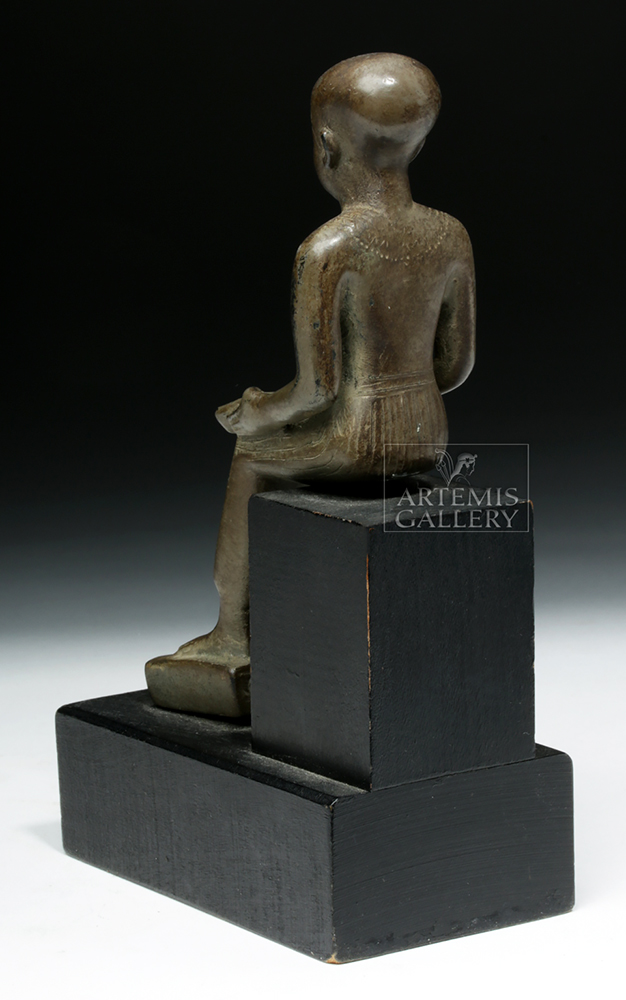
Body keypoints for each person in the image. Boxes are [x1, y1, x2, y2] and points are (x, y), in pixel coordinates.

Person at [145, 52, 476, 717]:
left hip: (356, 442)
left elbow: (316, 393)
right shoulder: (449, 235)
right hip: (428, 437)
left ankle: (232, 636)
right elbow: (456, 367)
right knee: (294, 438)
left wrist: (257, 411)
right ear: (417, 143)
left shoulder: (329, 249)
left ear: (327, 146)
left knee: (252, 460)